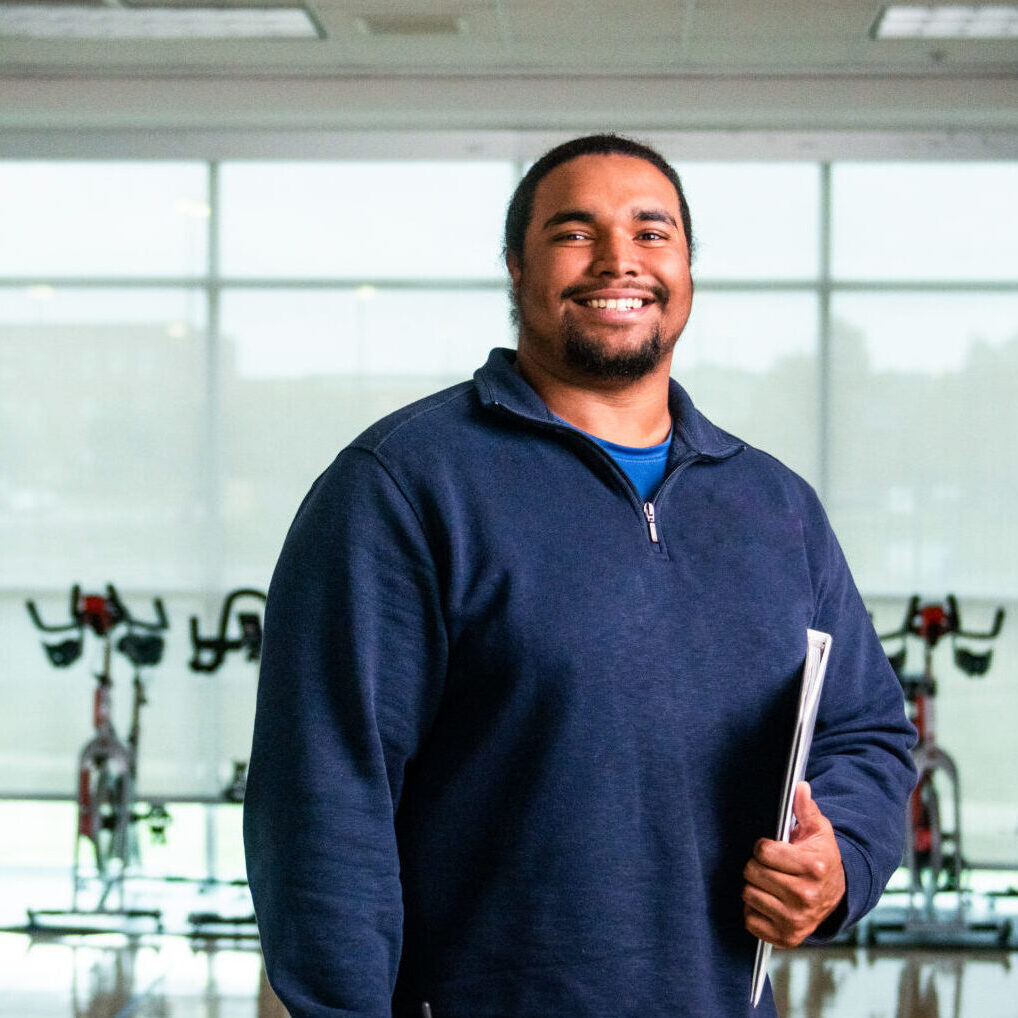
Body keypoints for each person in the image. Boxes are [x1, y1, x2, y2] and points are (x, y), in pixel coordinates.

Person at [244, 134, 916, 1018]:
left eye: (651, 232)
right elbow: (325, 793)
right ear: (516, 272)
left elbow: (867, 733)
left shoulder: (773, 505)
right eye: (574, 232)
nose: (618, 260)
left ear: (686, 270)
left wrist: (841, 868)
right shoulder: (404, 486)